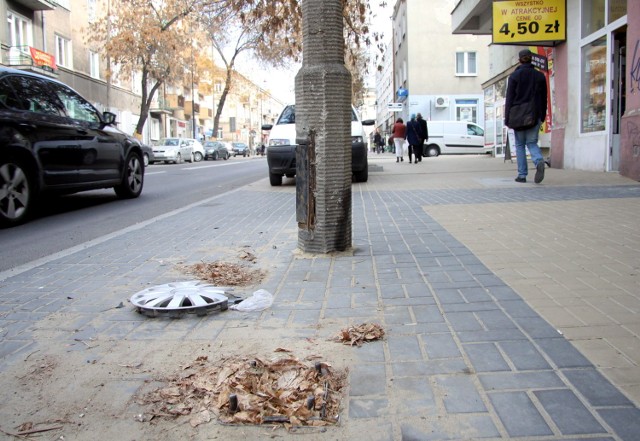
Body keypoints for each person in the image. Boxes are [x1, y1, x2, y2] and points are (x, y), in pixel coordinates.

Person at [504, 48, 548, 184]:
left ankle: (522, 175)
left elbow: (509, 99)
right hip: (534, 115)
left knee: (519, 145)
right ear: (531, 59)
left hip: (518, 117)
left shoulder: (514, 77)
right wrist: (542, 116)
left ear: (519, 60)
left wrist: (507, 118)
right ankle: (539, 161)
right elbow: (544, 98)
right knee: (532, 143)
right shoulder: (540, 76)